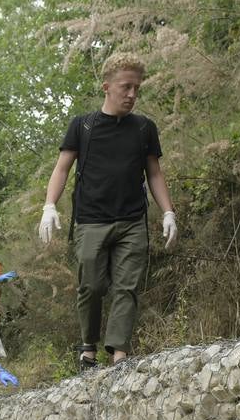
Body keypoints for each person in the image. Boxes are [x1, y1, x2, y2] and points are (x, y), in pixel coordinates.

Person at [38, 52, 178, 369]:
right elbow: (61, 169)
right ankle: (88, 347)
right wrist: (49, 206)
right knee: (92, 285)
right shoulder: (83, 126)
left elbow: (154, 173)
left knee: (127, 287)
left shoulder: (144, 128)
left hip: (132, 221)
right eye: (125, 87)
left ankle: (119, 356)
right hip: (91, 220)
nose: (131, 95)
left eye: (136, 89)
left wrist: (168, 211)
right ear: (107, 87)